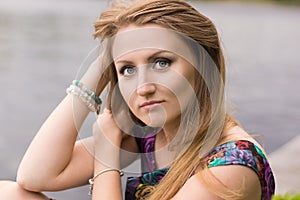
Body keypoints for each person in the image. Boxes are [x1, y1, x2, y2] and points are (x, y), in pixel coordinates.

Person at [0, 0, 275, 199]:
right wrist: (102, 66)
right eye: (128, 70)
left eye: (162, 62)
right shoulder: (153, 135)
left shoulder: (231, 166)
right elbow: (34, 175)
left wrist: (107, 157)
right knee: (10, 193)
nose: (142, 88)